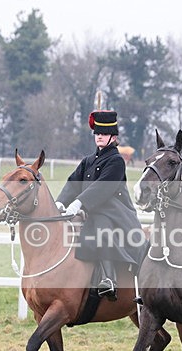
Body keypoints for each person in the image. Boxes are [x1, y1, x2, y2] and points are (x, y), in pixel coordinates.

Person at [54, 110, 147, 300]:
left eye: (103, 134)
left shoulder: (116, 161)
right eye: (97, 134)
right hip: (93, 210)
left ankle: (108, 278)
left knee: (100, 223)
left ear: (113, 137)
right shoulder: (88, 161)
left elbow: (102, 188)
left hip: (116, 213)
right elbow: (73, 183)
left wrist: (79, 203)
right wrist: (60, 203)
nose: (99, 137)